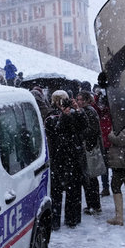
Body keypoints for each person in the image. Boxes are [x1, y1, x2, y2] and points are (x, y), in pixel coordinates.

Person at [45, 90, 88, 229]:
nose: (62, 103)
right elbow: (57, 130)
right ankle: (54, 221)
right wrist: (64, 115)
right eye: (59, 100)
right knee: (56, 191)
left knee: (74, 189)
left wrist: (78, 110)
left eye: (64, 100)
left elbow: (84, 126)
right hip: (58, 157)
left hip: (73, 156)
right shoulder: (51, 116)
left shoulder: (74, 113)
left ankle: (72, 218)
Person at [76, 91, 103, 216]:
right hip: (88, 147)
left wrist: (79, 134)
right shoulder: (88, 111)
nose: (79, 101)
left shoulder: (89, 112)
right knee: (90, 178)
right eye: (78, 99)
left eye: (81, 99)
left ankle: (94, 205)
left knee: (90, 178)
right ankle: (93, 204)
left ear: (87, 100)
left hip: (89, 148)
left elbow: (92, 130)